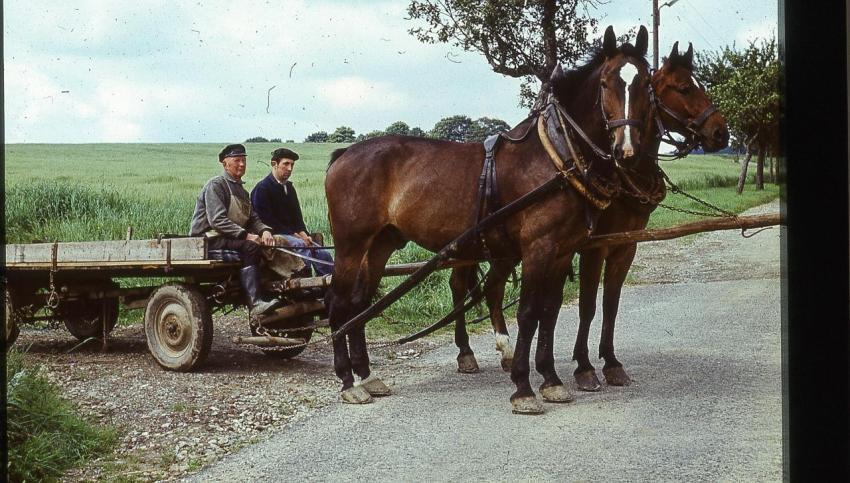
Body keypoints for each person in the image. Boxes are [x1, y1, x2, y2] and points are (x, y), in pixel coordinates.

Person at [190, 143, 279, 315]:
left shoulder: (242, 191)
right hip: (208, 240)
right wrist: (246, 236)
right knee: (251, 247)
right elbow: (217, 220)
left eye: (244, 160)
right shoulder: (216, 185)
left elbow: (253, 218)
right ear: (225, 164)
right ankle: (255, 303)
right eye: (237, 160)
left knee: (270, 247)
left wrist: (264, 231)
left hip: (228, 238)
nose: (242, 164)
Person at [250, 147, 334, 276]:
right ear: (274, 164)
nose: (289, 169)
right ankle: (305, 284)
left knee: (322, 253)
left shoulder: (289, 188)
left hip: (293, 235)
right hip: (274, 235)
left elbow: (297, 217)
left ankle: (328, 284)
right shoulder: (262, 188)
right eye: (286, 164)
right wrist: (296, 235)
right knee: (302, 246)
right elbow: (266, 220)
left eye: (292, 165)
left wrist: (304, 233)